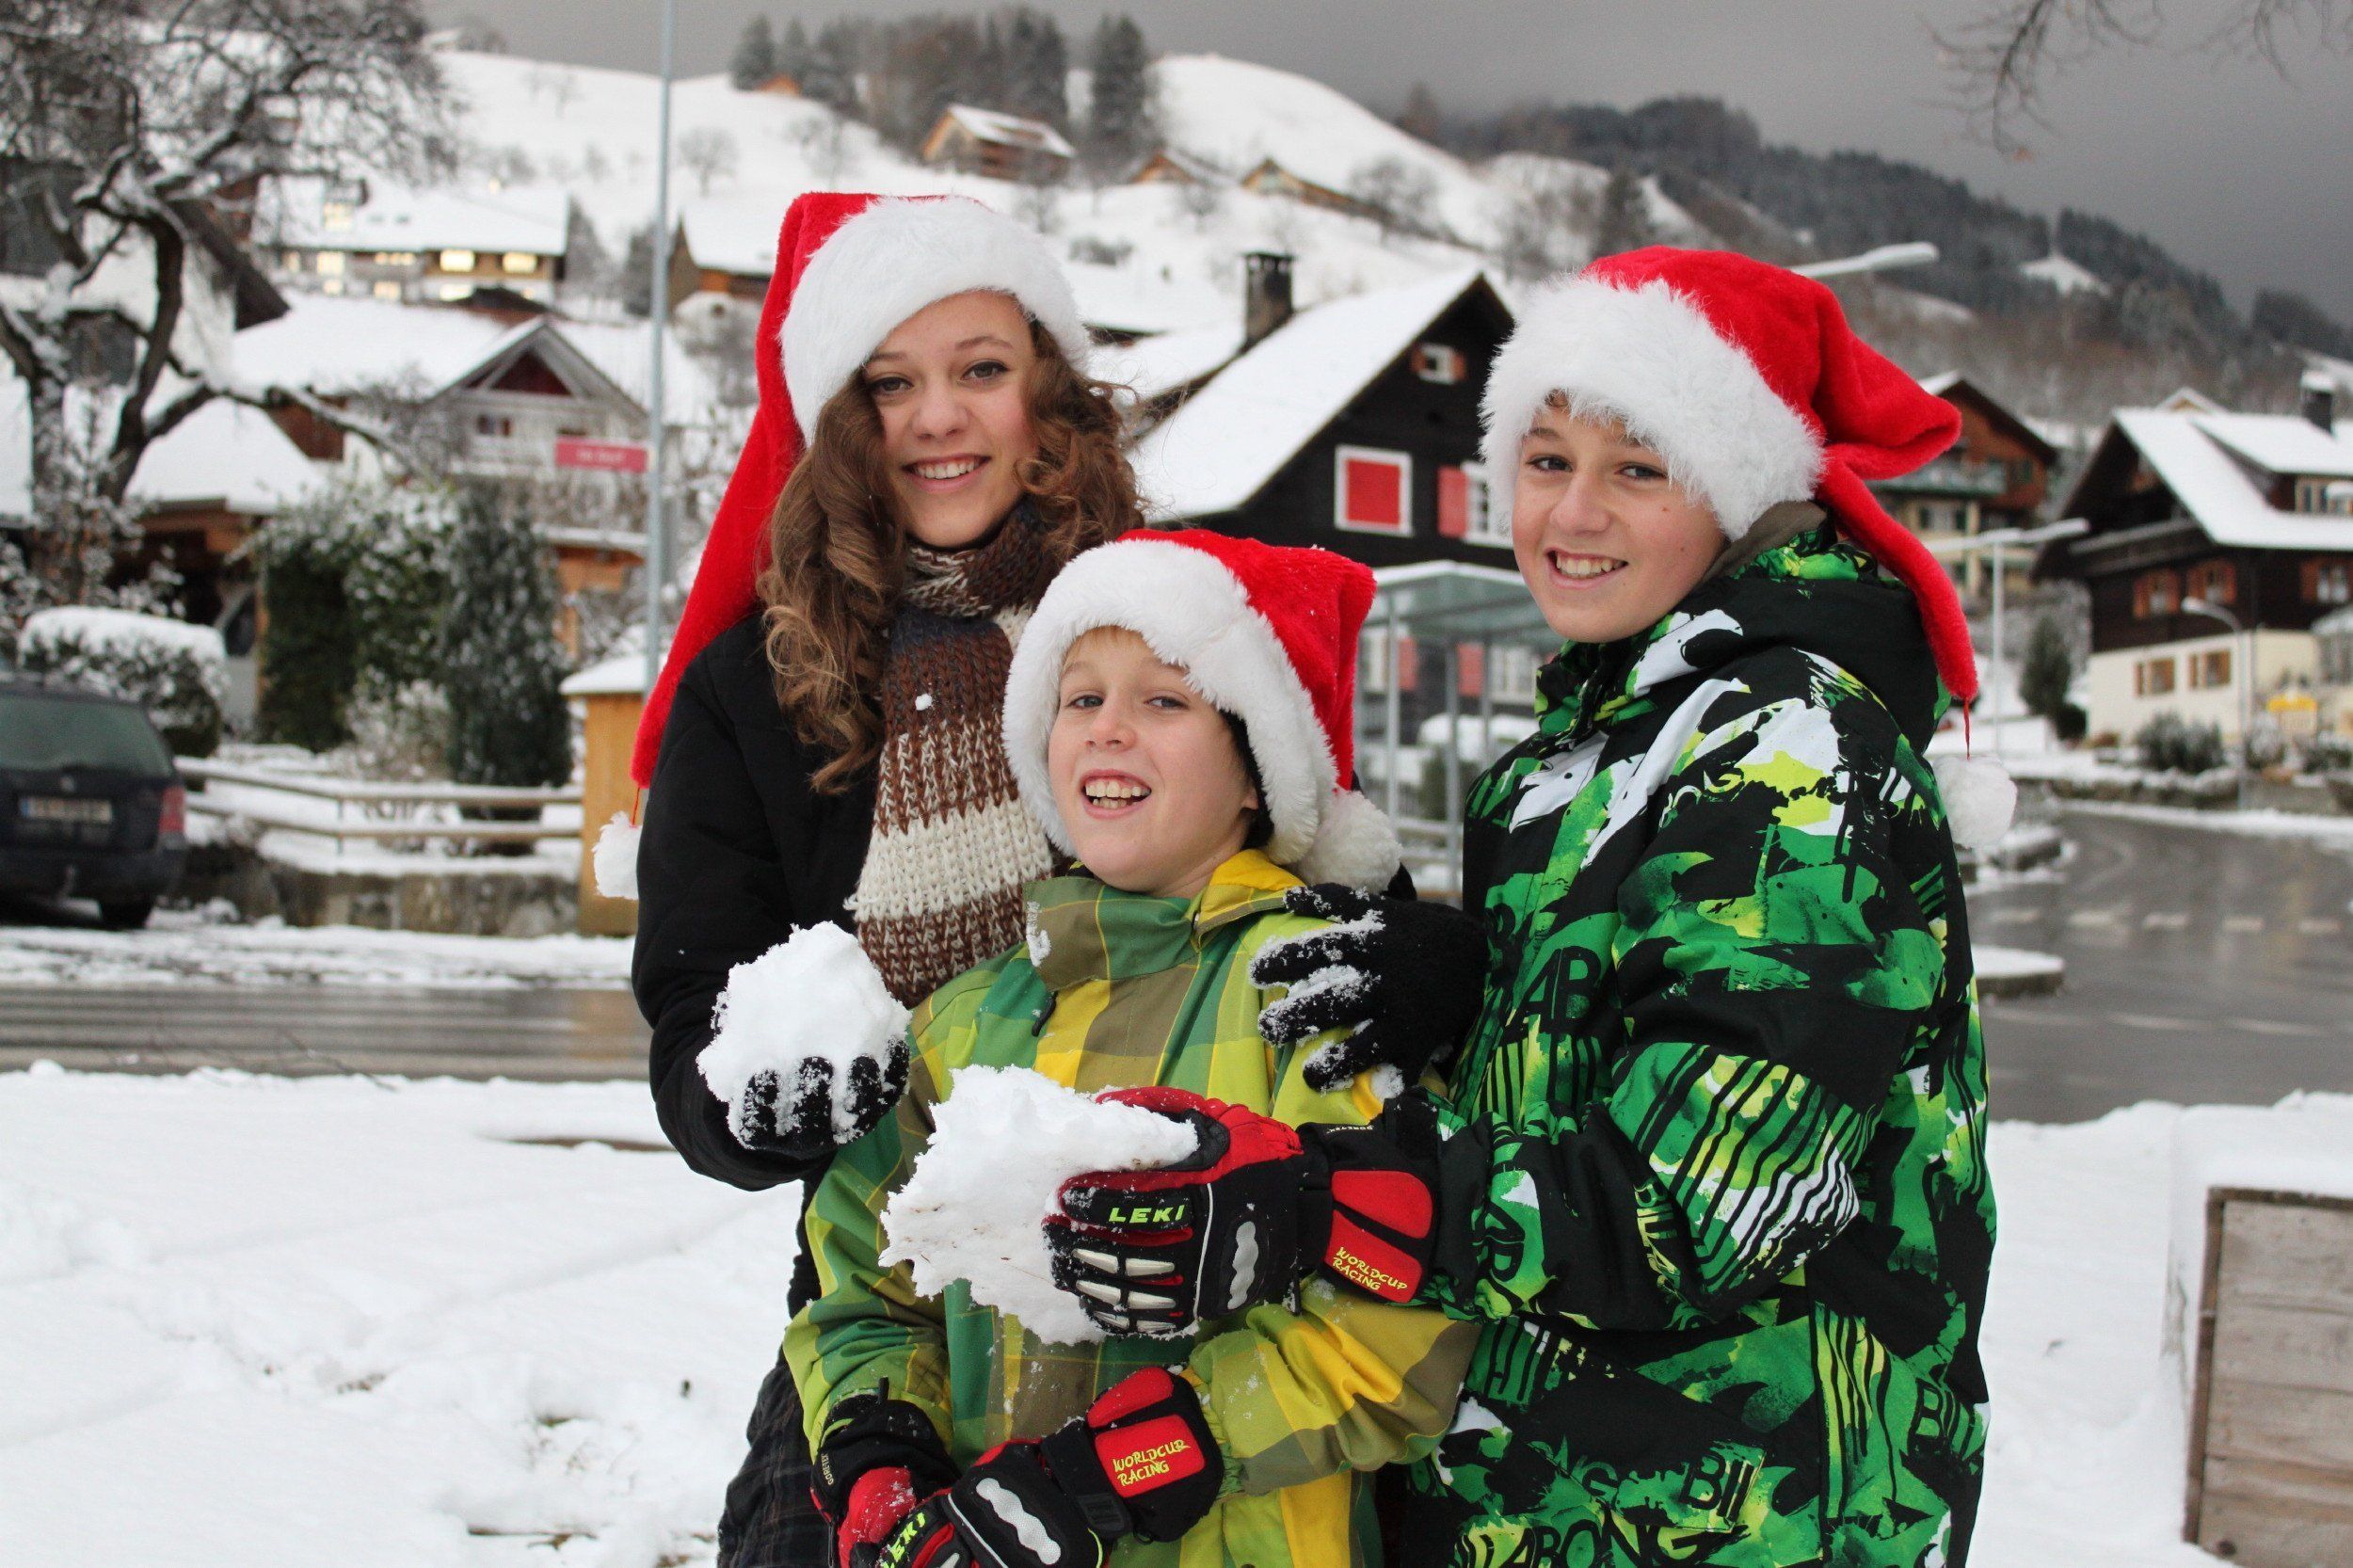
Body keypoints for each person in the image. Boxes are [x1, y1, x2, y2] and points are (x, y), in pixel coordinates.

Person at [1042, 248, 2001, 1567]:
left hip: (1752, 1510)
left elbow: (1709, 1201)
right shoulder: (1567, 761)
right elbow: (1584, 1070)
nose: (1574, 511)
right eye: (1546, 460)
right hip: (1555, 1490)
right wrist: (1471, 987)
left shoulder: (1792, 749)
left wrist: (1322, 1203)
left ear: (1738, 489)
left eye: (1638, 468)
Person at [787, 530, 1476, 1568]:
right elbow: (861, 1283)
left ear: (1258, 772)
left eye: (1164, 700)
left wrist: (1127, 1466)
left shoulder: (1322, 993)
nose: (1109, 728)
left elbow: (1400, 1334)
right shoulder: (964, 1019)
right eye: (1080, 698)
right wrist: (881, 1450)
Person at [627, 190, 1135, 1568]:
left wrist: (1408, 955)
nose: (937, 418)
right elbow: (692, 1010)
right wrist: (747, 1100)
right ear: (841, 421)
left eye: (981, 368)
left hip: (1174, 1282)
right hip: (882, 1313)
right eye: (890, 383)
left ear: (1049, 392)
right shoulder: (754, 689)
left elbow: (1308, 879)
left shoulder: (1168, 622)